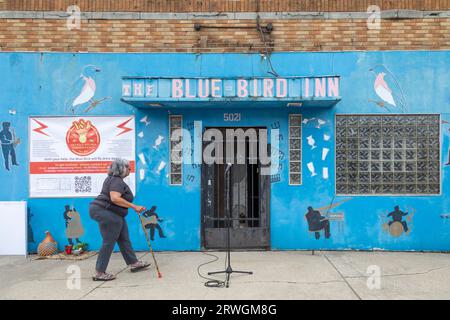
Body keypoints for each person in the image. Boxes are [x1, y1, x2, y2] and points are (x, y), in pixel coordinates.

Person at [89, 159, 150, 281]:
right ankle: (99, 272)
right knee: (109, 241)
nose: (130, 170)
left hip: (112, 213)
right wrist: (134, 207)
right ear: (122, 169)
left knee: (123, 238)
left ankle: (134, 263)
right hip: (106, 212)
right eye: (128, 167)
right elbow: (115, 198)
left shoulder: (114, 180)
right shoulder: (116, 181)